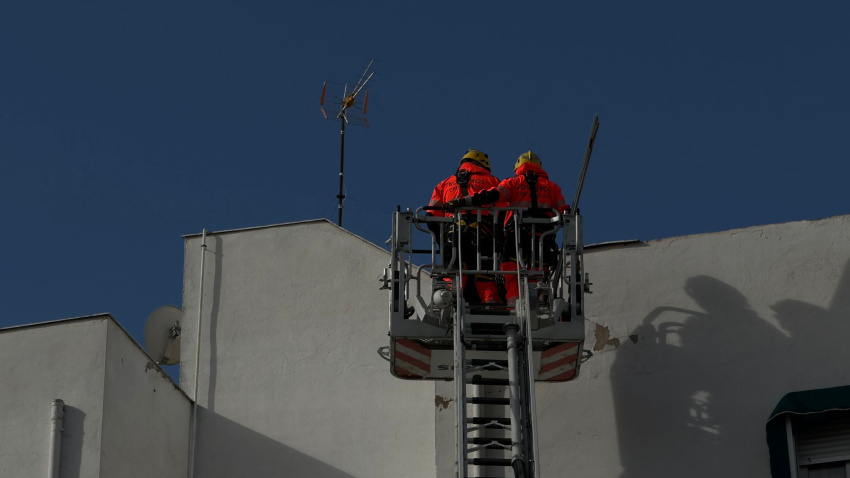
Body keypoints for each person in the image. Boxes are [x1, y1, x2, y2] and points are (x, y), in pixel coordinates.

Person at [448, 151, 568, 305]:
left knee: (512, 274)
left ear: (518, 167)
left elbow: (493, 195)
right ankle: (540, 308)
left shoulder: (512, 182)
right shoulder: (552, 187)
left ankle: (513, 308)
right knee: (539, 276)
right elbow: (563, 209)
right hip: (542, 240)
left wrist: (464, 202)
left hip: (517, 238)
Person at [428, 149, 502, 304]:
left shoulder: (445, 184)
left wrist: (442, 240)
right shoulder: (493, 182)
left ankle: (450, 301)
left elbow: (431, 216)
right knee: (484, 273)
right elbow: (504, 213)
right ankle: (491, 304)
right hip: (483, 234)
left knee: (453, 270)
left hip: (452, 234)